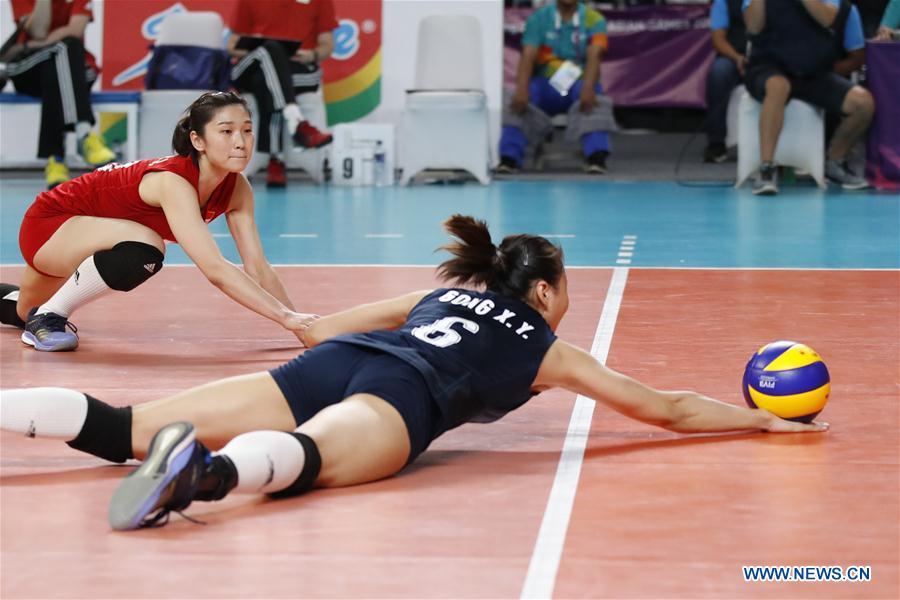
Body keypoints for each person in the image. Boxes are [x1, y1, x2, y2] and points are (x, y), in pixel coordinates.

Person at [0, 215, 827, 531]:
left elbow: (333, 323)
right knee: (309, 461)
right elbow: (669, 410)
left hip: (334, 362)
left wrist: (296, 325)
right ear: (543, 292)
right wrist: (762, 418)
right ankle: (206, 476)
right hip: (403, 397)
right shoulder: (547, 348)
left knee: (125, 425)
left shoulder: (445, 292)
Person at [0, 91, 316, 352]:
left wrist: (301, 327)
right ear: (198, 141)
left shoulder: (237, 188)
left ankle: (38, 312)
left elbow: (258, 268)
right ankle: (51, 317)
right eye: (226, 131)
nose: (241, 141)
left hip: (90, 236)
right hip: (52, 225)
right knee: (147, 245)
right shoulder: (173, 182)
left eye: (247, 130)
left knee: (21, 311)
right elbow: (215, 269)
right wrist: (285, 317)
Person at [743, 0, 875, 195]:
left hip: (815, 73)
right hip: (768, 68)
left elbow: (828, 18)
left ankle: (834, 161)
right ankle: (766, 169)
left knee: (863, 104)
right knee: (779, 87)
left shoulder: (842, 5)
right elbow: (754, 27)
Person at [5, 0, 117, 189]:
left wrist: (47, 42)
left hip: (67, 67)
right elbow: (38, 30)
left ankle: (55, 160)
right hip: (28, 67)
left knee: (60, 64)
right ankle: (85, 133)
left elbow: (76, 29)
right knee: (64, 48)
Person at [228, 0, 338, 188]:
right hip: (251, 67)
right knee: (270, 49)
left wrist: (311, 55)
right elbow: (231, 46)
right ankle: (296, 123)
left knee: (269, 83)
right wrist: (262, 49)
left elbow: (326, 44)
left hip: (295, 69)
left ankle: (275, 158)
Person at [497, 0, 615, 175]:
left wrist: (588, 87)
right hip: (545, 83)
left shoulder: (595, 19)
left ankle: (596, 157)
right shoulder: (538, 19)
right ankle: (509, 158)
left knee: (595, 99)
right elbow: (528, 54)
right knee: (514, 99)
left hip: (579, 82)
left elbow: (595, 54)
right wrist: (522, 89)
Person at [704, 0, 749, 163]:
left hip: (768, 58)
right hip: (734, 57)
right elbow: (718, 39)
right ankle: (716, 143)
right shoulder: (723, 2)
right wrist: (738, 57)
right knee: (718, 73)